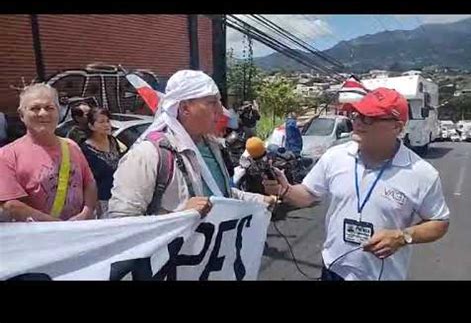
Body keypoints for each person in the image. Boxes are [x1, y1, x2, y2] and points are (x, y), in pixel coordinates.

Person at [263, 87, 450, 280]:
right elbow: (307, 195)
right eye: (356, 115)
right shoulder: (335, 156)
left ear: (397, 127)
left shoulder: (422, 173)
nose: (358, 123)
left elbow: (440, 222)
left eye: (369, 118)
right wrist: (283, 189)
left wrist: (403, 236)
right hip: (333, 270)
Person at [108, 70, 276, 219]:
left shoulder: (214, 146)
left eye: (219, 102)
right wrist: (178, 217)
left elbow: (222, 195)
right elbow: (121, 223)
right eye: (211, 102)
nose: (220, 110)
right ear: (184, 108)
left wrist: (260, 201)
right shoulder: (148, 154)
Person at [0, 83, 98, 222]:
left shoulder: (72, 146)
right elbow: (11, 205)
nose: (43, 113)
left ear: (58, 112)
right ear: (21, 115)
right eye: (35, 108)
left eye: (49, 108)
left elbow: (89, 183)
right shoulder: (6, 155)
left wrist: (86, 213)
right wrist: (58, 227)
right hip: (39, 240)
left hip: (79, 235)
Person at [81, 107, 124, 218]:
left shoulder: (113, 141)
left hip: (120, 196)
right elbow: (85, 180)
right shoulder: (86, 149)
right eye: (101, 122)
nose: (106, 125)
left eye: (107, 121)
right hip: (101, 201)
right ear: (91, 126)